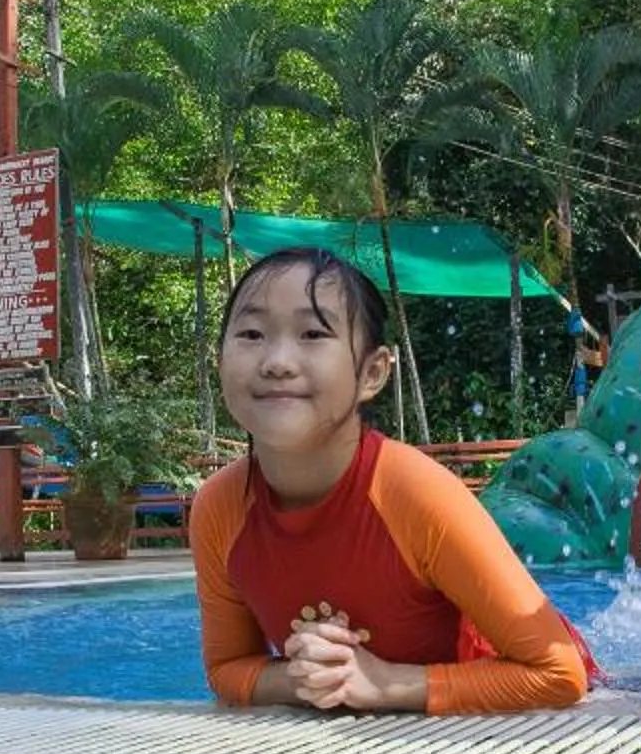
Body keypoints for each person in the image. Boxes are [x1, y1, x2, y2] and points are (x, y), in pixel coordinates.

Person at [192, 247, 591, 713]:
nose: (277, 361)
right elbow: (226, 669)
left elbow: (560, 674)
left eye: (312, 333)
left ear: (373, 372)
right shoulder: (220, 507)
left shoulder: (414, 492)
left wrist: (385, 685)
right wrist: (306, 678)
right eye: (252, 333)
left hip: (514, 695)